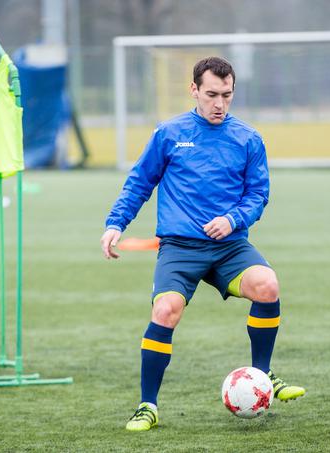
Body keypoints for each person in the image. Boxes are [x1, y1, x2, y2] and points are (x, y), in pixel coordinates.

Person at [101, 57, 305, 432]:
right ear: (194, 90)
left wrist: (232, 219)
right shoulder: (169, 133)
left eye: (227, 95)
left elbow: (258, 195)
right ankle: (148, 405)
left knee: (268, 286)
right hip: (180, 249)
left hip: (229, 246)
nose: (219, 104)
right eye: (211, 94)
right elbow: (139, 182)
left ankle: (262, 377)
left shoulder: (248, 138)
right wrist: (115, 224)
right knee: (165, 311)